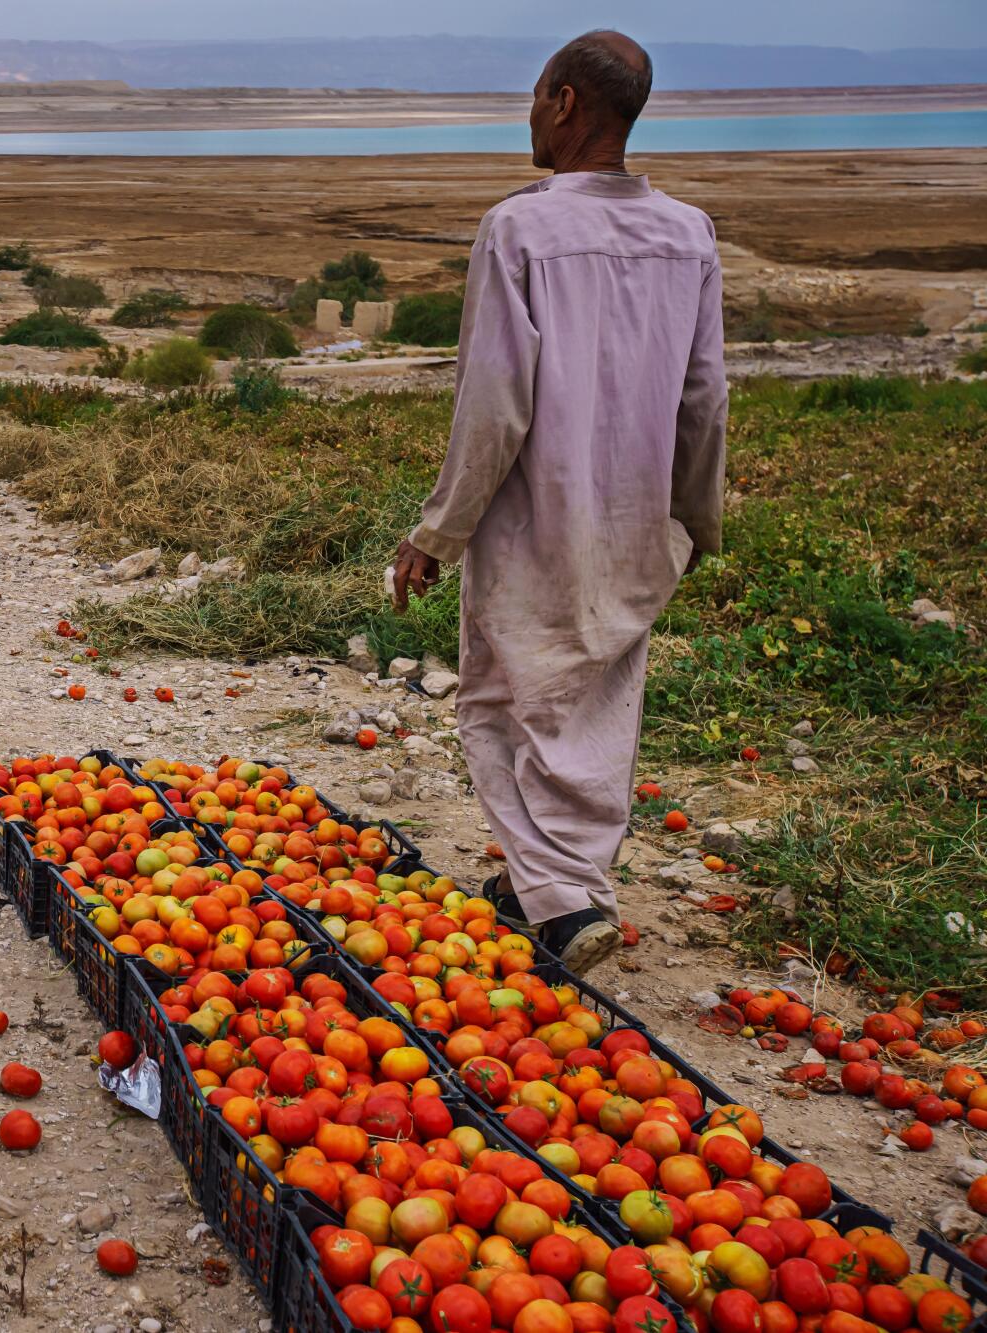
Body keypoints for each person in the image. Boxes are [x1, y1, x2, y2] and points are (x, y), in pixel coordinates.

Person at [390, 30, 726, 973]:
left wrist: (439, 530)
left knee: (502, 699)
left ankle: (564, 908)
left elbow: (495, 404)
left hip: (535, 511)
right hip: (637, 517)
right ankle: (554, 881)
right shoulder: (688, 231)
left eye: (538, 95)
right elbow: (705, 396)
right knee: (597, 701)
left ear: (568, 103)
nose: (531, 113)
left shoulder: (523, 227)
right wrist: (695, 521)